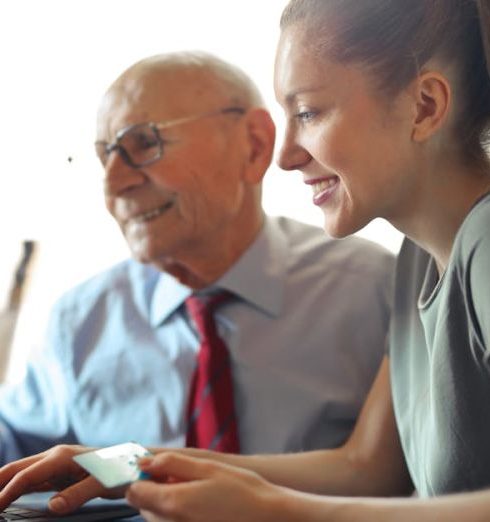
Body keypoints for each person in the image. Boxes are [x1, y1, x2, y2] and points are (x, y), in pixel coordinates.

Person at [4, 0, 488, 520]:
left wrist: (276, 510)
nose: (285, 156)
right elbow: (366, 466)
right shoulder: (417, 259)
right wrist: (131, 465)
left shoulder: (476, 244)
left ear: (424, 106)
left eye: (308, 112)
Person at [0, 51, 394, 473]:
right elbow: (18, 450)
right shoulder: (81, 320)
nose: (115, 183)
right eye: (105, 157)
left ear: (254, 146)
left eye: (145, 143)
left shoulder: (375, 293)